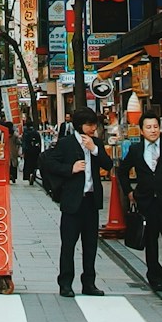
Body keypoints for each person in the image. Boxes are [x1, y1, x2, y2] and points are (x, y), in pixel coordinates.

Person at [40, 106, 111, 298]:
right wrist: (70, 168)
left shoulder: (96, 143)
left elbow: (108, 164)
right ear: (80, 125)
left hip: (91, 201)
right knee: (68, 244)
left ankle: (89, 283)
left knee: (90, 246)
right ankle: (65, 283)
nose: (92, 128)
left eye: (94, 125)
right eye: (89, 125)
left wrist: (94, 149)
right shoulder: (66, 144)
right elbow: (48, 162)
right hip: (72, 202)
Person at [118, 105, 162, 292]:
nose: (153, 130)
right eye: (148, 127)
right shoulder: (135, 149)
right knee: (151, 244)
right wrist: (129, 192)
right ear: (141, 130)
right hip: (146, 203)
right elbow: (122, 171)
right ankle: (156, 278)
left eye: (155, 127)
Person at [21, 118, 43, 185]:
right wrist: (39, 150)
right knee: (34, 164)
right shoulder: (36, 133)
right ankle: (33, 174)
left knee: (28, 164)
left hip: (28, 151)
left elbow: (24, 142)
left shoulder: (25, 133)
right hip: (35, 150)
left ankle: (28, 175)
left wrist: (23, 151)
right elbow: (39, 142)